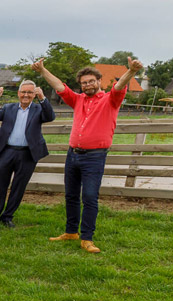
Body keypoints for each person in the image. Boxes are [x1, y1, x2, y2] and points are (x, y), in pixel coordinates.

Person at [34, 57, 142, 253]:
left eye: (91, 81)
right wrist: (42, 71)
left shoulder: (111, 99)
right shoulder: (78, 100)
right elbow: (60, 86)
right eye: (84, 83)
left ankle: (87, 238)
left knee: (90, 196)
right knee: (71, 195)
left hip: (94, 157)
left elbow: (119, 87)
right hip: (73, 154)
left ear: (99, 81)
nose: (88, 85)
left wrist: (131, 71)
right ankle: (71, 232)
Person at [0, 81, 56, 227]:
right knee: (0, 185)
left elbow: (50, 116)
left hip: (27, 154)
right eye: (23, 92)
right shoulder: (9, 108)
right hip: (7, 151)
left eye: (30, 92)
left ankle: (7, 217)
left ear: (34, 94)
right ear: (18, 93)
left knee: (19, 187)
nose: (26, 95)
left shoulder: (38, 109)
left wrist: (43, 98)